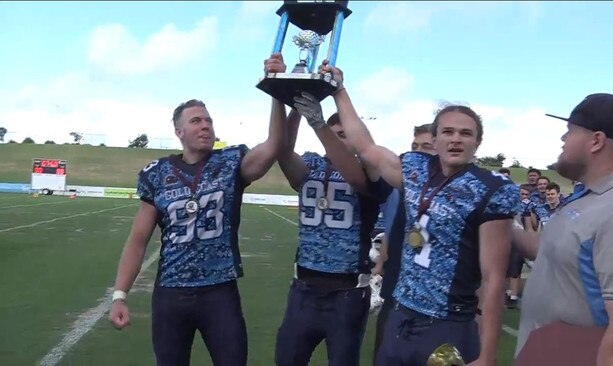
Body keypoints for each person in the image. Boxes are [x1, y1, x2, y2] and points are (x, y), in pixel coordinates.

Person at [319, 61, 520, 365]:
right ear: (435, 138)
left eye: (466, 133)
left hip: (447, 323)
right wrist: (340, 92)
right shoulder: (414, 169)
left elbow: (493, 278)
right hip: (401, 314)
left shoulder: (490, 189)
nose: (456, 139)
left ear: (477, 142)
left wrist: (488, 354)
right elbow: (367, 147)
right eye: (448, 132)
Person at [108, 54, 286, 366]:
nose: (205, 125)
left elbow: (273, 145)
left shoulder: (230, 163)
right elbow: (138, 240)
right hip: (171, 293)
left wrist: (276, 88)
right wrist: (120, 295)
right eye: (196, 121)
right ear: (179, 132)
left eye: (208, 120)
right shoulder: (156, 174)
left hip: (219, 292)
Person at [512, 93, 613, 364]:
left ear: (596, 141)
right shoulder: (592, 198)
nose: (563, 139)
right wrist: (506, 227)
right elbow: (556, 255)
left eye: (570, 131)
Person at [268, 54, 387, 366]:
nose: (337, 138)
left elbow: (355, 177)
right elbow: (281, 150)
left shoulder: (367, 170)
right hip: (304, 289)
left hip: (347, 293)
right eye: (335, 133)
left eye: (344, 133)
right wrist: (284, 98)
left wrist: (320, 123)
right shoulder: (310, 164)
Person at [372, 123, 436, 363]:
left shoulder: (457, 193)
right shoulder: (406, 185)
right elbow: (394, 228)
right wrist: (381, 262)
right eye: (414, 146)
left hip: (434, 298)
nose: (418, 152)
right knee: (385, 353)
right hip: (396, 286)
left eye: (426, 147)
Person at [504, 184, 532, 309]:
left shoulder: (527, 207)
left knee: (515, 270)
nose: (523, 196)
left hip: (519, 241)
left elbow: (529, 226)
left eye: (526, 194)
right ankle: (507, 293)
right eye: (522, 193)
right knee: (505, 270)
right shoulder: (506, 204)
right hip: (505, 240)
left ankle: (513, 297)